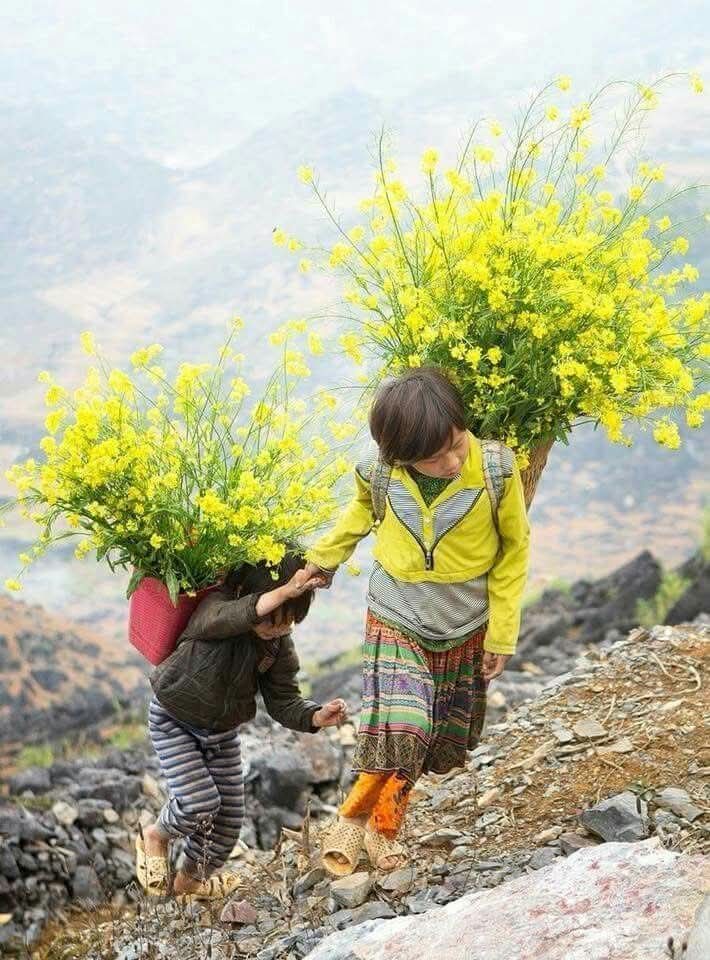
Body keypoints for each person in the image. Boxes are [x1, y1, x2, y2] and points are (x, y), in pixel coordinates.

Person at [304, 367, 530, 874]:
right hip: (396, 613)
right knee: (405, 724)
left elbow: (514, 551)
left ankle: (384, 828)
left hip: (464, 624)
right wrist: (323, 558)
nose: (451, 462)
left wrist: (502, 632)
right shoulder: (379, 474)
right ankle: (350, 820)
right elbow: (358, 515)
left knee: (426, 739)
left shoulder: (496, 470)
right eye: (434, 457)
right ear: (399, 457)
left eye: (457, 445)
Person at [136, 554, 347, 900]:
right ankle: (156, 836)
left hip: (222, 734)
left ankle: (189, 882)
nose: (278, 629)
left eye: (288, 623)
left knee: (228, 823)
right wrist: (283, 593)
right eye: (272, 620)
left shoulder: (277, 645)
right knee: (199, 802)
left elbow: (284, 700)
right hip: (174, 720)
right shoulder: (215, 611)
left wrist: (314, 716)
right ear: (245, 593)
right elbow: (237, 615)